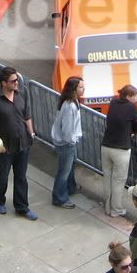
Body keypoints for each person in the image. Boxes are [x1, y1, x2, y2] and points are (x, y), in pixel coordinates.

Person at [0, 66, 38, 220]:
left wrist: (31, 133)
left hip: (23, 144)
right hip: (5, 148)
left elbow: (27, 115)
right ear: (4, 83)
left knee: (21, 177)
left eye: (17, 80)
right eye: (13, 81)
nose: (17, 83)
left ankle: (22, 207)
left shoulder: (21, 95)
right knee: (3, 174)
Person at [101, 84, 137, 218]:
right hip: (121, 150)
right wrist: (133, 132)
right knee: (118, 181)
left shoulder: (113, 103)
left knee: (107, 178)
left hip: (106, 146)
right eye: (135, 96)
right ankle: (116, 209)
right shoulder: (131, 107)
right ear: (129, 96)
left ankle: (107, 207)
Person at [51, 75, 84, 208]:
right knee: (64, 171)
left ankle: (71, 187)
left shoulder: (71, 102)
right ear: (74, 89)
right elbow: (68, 130)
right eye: (81, 87)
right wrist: (72, 140)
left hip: (68, 142)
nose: (83, 89)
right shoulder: (70, 106)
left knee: (69, 167)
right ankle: (59, 198)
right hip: (66, 144)